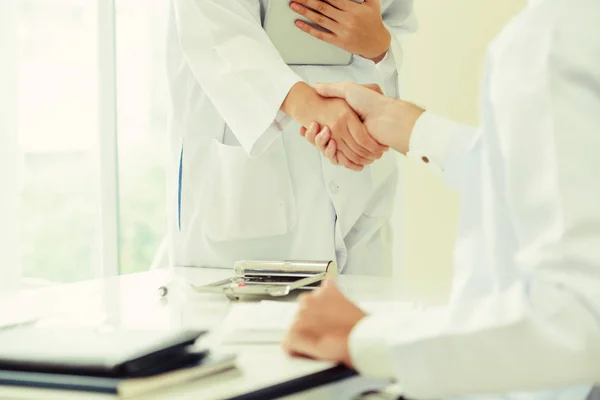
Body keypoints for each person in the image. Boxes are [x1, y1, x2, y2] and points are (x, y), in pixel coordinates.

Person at [283, 0, 600, 398]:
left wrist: (366, 338)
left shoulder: (551, 40)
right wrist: (411, 128)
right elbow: (565, 176)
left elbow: (579, 318)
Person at [164, 0, 416, 275]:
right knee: (238, 310)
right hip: (256, 160)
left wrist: (380, 47)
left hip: (357, 165)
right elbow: (216, 28)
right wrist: (309, 106)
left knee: (361, 308)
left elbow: (397, 23)